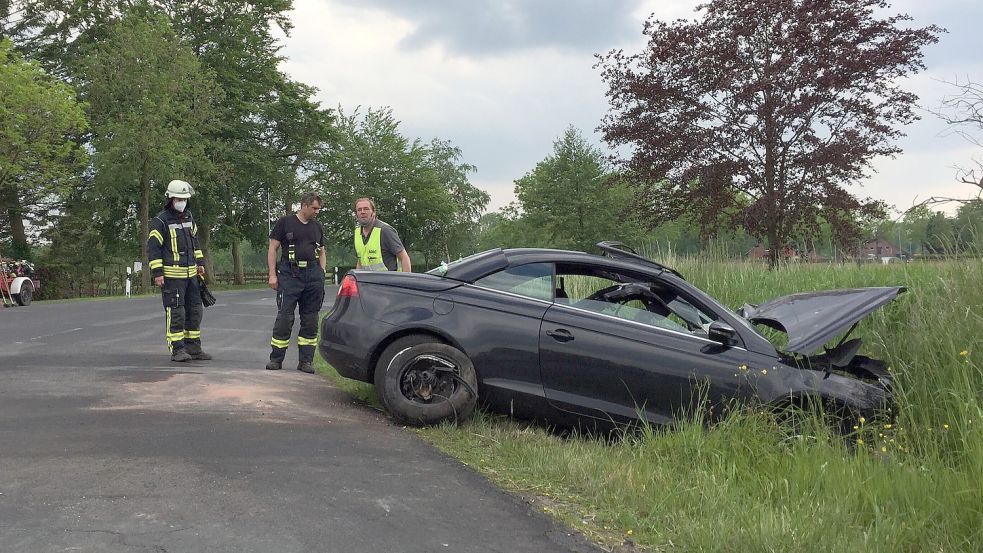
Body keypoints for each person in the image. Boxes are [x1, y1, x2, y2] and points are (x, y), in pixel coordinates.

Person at [147, 179, 211, 362]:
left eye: (184, 199)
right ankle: (178, 349)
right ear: (170, 199)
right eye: (178, 199)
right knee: (176, 313)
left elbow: (195, 243)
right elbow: (153, 248)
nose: (182, 202)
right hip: (172, 277)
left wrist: (200, 263)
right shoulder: (160, 221)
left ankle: (194, 348)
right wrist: (157, 273)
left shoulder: (189, 217)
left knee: (195, 311)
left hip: (191, 274)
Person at [266, 192, 327, 373]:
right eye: (315, 208)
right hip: (289, 274)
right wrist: (272, 275)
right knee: (285, 317)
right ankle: (276, 359)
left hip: (313, 275)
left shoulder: (318, 227)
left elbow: (322, 251)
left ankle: (306, 361)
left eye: (318, 209)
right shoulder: (285, 223)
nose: (317, 212)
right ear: (304, 205)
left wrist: (321, 273)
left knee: (310, 319)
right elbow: (272, 249)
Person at [353, 197, 411, 272]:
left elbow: (404, 257)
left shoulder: (385, 230)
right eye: (359, 210)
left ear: (373, 212)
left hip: (389, 281)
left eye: (366, 209)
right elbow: (360, 262)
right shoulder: (357, 233)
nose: (362, 212)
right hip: (370, 282)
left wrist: (405, 282)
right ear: (356, 214)